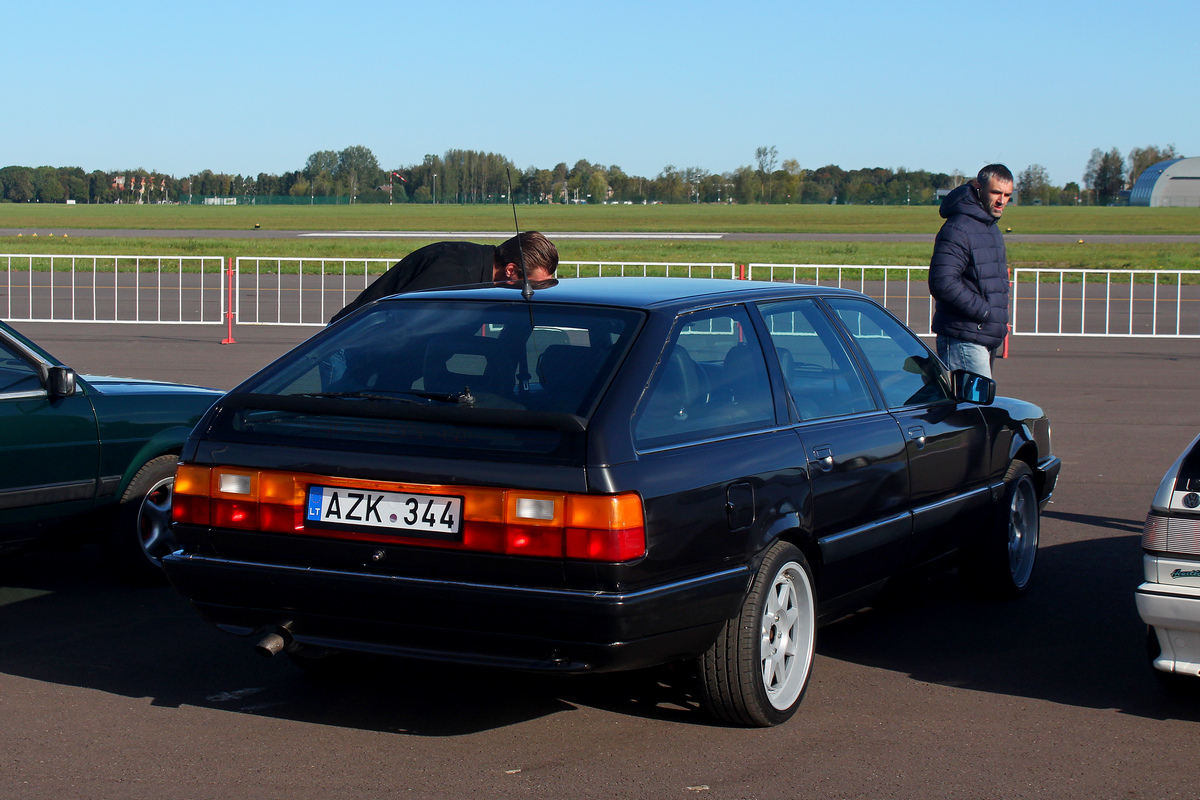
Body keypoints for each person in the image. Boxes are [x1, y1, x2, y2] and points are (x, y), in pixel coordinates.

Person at [329, 231, 558, 323]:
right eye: (533, 286)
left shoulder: (476, 263)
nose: (530, 293)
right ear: (510, 271)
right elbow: (404, 322)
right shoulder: (458, 273)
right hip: (350, 341)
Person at [928, 164, 1014, 379]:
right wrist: (985, 312)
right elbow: (943, 282)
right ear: (978, 187)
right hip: (964, 339)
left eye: (1007, 195)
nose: (1002, 201)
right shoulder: (958, 227)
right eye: (996, 193)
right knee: (973, 410)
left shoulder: (990, 228)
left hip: (984, 337)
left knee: (978, 408)